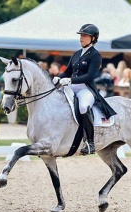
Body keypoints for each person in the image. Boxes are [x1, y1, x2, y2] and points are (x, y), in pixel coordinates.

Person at [52, 24, 117, 154]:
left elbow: (89, 76)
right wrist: (57, 77)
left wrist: (70, 80)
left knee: (83, 107)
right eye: (81, 35)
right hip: (71, 87)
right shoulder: (76, 54)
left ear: (92, 38)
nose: (81, 38)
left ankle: (90, 143)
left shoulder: (95, 55)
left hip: (85, 89)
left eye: (85, 36)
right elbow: (67, 72)